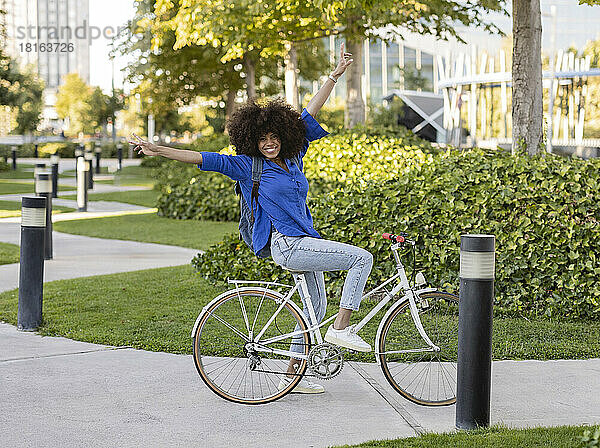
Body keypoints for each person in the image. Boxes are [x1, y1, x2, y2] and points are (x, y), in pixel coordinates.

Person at [130, 42, 373, 394]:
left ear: (284, 135)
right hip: (288, 245)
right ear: (252, 140)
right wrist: (158, 149)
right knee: (361, 258)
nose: (270, 143)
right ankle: (342, 328)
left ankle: (292, 374)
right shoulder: (247, 167)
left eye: (275, 136)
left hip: (307, 239)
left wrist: (333, 77)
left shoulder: (294, 157)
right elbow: (202, 157)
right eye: (263, 138)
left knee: (314, 307)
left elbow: (310, 111)